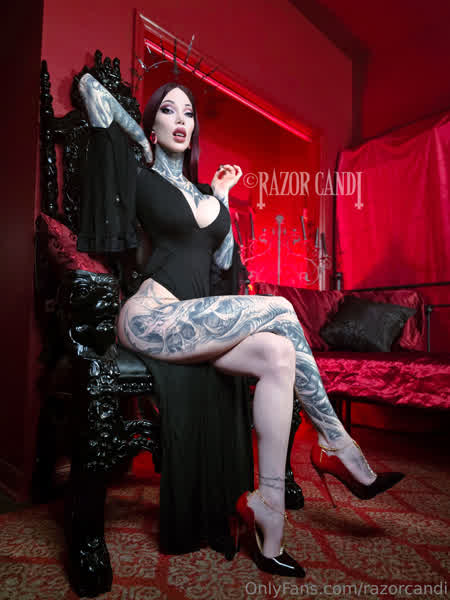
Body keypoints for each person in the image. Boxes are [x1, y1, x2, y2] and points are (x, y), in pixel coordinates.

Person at [78, 73, 404, 578]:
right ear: (152, 122)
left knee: (278, 353)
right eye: (168, 110)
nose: (180, 120)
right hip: (150, 316)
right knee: (281, 310)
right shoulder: (140, 175)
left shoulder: (208, 194)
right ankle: (337, 445)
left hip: (197, 319)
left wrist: (223, 198)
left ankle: (268, 506)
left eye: (189, 113)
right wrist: (140, 140)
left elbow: (223, 267)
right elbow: (90, 89)